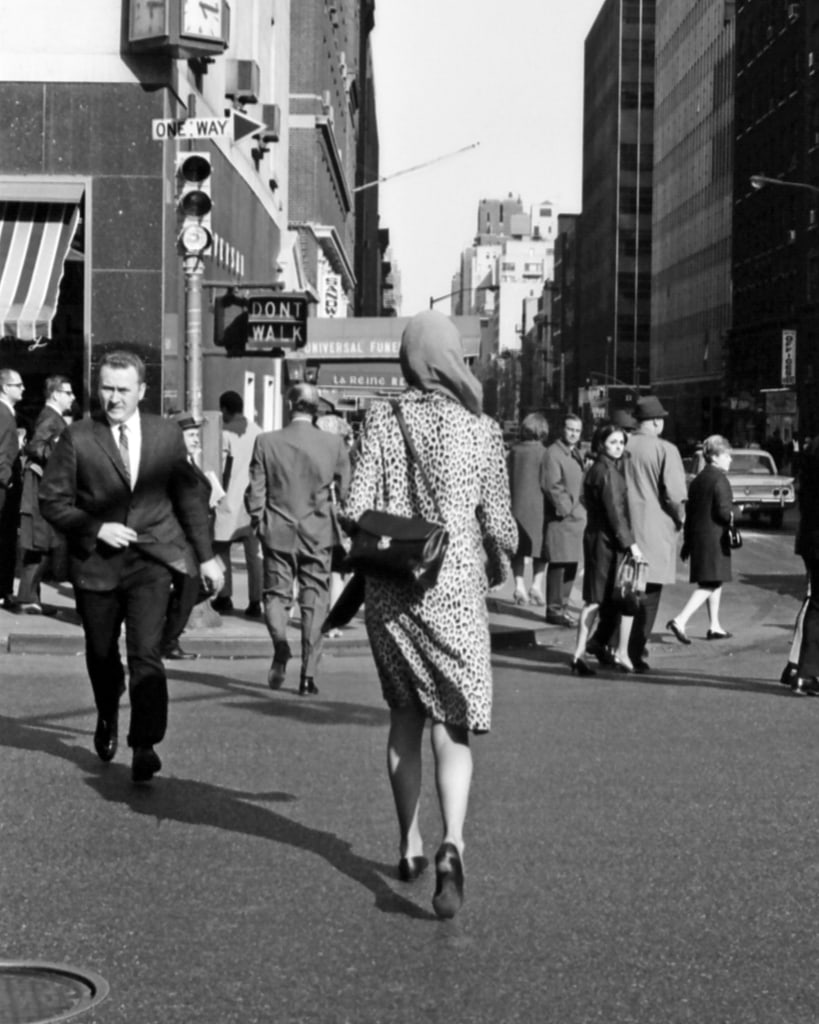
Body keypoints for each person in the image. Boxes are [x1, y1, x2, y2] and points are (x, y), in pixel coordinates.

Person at [342, 310, 517, 920]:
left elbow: (358, 506)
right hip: (455, 589)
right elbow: (499, 522)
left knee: (403, 719)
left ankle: (410, 842)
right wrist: (500, 562)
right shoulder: (484, 430)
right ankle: (453, 843)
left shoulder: (382, 420)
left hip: (392, 592)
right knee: (454, 725)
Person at [40, 350, 222, 783]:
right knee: (103, 656)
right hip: (97, 566)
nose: (114, 398)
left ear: (142, 390)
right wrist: (94, 528)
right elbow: (52, 500)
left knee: (146, 654)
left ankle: (145, 744)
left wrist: (208, 556)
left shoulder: (165, 435)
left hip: (153, 561)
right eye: (107, 388)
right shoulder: (79, 437)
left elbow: (189, 500)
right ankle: (107, 710)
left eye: (123, 390)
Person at [245, 383, 351, 696]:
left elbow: (256, 490)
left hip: (277, 530)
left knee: (276, 596)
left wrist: (258, 521)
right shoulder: (333, 444)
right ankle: (308, 675)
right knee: (314, 599)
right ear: (316, 409)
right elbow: (346, 490)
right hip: (317, 531)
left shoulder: (266, 442)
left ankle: (280, 645)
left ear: (290, 405)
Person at [591, 395, 686, 672]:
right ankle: (633, 650)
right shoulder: (666, 450)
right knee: (648, 594)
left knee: (618, 589)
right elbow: (674, 496)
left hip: (619, 526)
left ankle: (604, 640)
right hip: (653, 529)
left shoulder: (621, 444)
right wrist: (680, 520)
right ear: (656, 422)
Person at [571, 423, 643, 675]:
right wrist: (631, 544)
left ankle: (581, 653)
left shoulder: (596, 469)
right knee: (614, 597)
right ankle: (613, 652)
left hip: (596, 538)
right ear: (602, 444)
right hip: (608, 543)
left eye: (621, 443)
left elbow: (585, 500)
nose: (618, 447)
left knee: (596, 598)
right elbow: (615, 512)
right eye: (613, 443)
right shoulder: (608, 472)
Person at [159, 411, 221, 660]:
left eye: (197, 434)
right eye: (191, 435)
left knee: (197, 588)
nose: (196, 439)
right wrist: (207, 557)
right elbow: (189, 511)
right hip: (181, 541)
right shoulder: (176, 466)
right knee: (193, 587)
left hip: (191, 540)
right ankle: (168, 640)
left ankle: (165, 635)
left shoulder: (186, 463)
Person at [666, 435, 734, 643]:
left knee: (713, 581)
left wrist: (687, 543)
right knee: (710, 583)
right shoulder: (720, 479)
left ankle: (714, 625)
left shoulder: (698, 480)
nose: (730, 459)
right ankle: (680, 620)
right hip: (715, 539)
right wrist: (734, 513)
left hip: (699, 539)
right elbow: (723, 513)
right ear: (715, 457)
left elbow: (691, 512)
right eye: (727, 455)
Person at [15, 375, 75, 613]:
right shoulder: (50, 417)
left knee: (45, 545)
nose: (72, 397)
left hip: (46, 490)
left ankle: (31, 598)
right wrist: (60, 448)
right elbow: (37, 447)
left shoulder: (53, 417)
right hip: (43, 490)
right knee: (40, 544)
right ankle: (27, 599)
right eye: (68, 393)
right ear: (55, 394)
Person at [212, 390, 263, 618]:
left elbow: (222, 466)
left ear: (224, 409)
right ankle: (255, 601)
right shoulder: (257, 431)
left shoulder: (224, 433)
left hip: (229, 500)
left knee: (221, 550)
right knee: (254, 555)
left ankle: (225, 597)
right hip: (253, 501)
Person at [780, 437, 819, 695]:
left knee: (814, 602)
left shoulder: (810, 463)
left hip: (811, 540)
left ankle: (802, 668)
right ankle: (805, 670)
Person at [542, 412, 586, 627]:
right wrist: (567, 509)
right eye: (570, 429)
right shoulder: (553, 453)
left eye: (577, 431)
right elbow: (552, 485)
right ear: (562, 429)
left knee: (571, 564)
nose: (573, 434)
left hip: (576, 519)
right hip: (562, 520)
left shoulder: (575, 452)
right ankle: (554, 609)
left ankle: (564, 607)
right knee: (559, 564)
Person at [506, 412, 550, 605]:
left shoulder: (514, 451)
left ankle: (519, 586)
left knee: (519, 549)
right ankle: (536, 586)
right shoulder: (545, 453)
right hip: (539, 507)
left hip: (516, 505)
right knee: (542, 549)